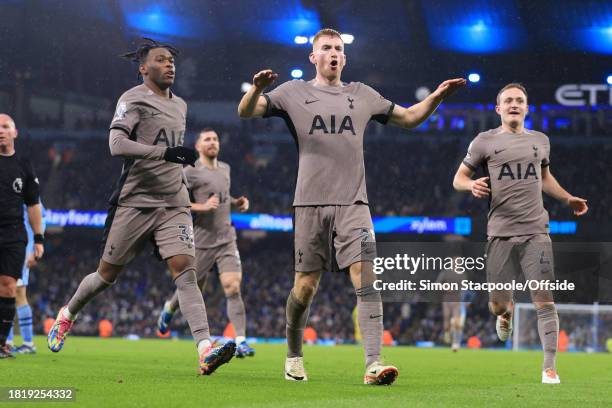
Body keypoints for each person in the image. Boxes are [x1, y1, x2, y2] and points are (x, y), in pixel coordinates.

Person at [238, 28, 465, 385]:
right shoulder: (292, 93)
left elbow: (408, 118)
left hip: (354, 203)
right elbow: (247, 111)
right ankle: (294, 355)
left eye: (338, 49)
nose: (332, 53)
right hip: (309, 203)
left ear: (344, 58)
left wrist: (437, 96)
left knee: (367, 279)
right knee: (305, 287)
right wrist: (257, 89)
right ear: (313, 57)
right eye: (325, 48)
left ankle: (374, 364)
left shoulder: (363, 95)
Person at [47, 38, 235, 375]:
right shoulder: (131, 99)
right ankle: (67, 314)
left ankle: (205, 349)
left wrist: (179, 161)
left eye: (172, 61)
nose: (169, 65)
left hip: (173, 202)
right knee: (107, 275)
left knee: (186, 272)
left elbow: (172, 152)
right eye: (161, 60)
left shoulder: (181, 105)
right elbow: (116, 144)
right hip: (136, 201)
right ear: (143, 67)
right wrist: (164, 153)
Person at [453, 83, 588, 384]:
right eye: (508, 101)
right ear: (498, 108)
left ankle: (549, 367)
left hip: (536, 232)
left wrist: (567, 198)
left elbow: (545, 178)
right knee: (497, 303)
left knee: (545, 300)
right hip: (500, 233)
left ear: (527, 108)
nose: (514, 104)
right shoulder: (484, 141)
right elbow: (458, 178)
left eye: (520, 100)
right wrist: (471, 184)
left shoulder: (540, 141)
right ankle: (506, 313)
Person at [157, 128, 255, 358]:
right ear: (198, 146)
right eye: (207, 139)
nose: (212, 142)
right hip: (201, 241)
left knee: (232, 287)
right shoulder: (190, 172)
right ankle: (169, 308)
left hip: (226, 239)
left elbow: (221, 200)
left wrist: (236, 203)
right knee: (192, 288)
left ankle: (240, 340)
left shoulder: (225, 169)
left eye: (215, 139)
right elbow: (172, 199)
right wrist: (201, 207)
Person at [0, 114, 44, 359]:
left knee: (9, 288)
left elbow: (33, 204)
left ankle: (2, 344)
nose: (1, 131)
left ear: (15, 133)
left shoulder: (23, 164)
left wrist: (38, 239)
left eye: (5, 127)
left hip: (13, 234)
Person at [6, 203, 46, 354]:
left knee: (17, 294)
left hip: (21, 249)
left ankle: (25, 342)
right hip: (10, 248)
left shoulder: (23, 184)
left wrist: (35, 247)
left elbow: (41, 217)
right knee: (9, 294)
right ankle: (9, 341)